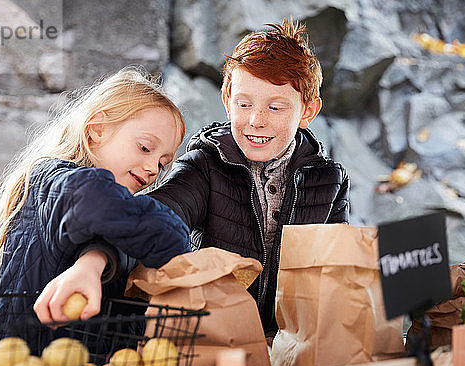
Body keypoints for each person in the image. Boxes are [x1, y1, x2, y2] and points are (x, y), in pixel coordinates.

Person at [74, 17, 350, 342]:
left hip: (294, 347)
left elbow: (339, 270)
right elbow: (150, 219)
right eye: (244, 104)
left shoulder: (330, 179)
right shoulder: (205, 166)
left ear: (307, 112)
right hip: (215, 339)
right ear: (227, 101)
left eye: (275, 108)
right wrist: (93, 262)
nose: (255, 120)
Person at [0, 67, 191, 351]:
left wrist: (97, 258)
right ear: (96, 130)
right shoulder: (50, 181)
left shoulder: (117, 215)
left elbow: (128, 234)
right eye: (145, 148)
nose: (152, 169)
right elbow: (114, 210)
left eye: (163, 163)